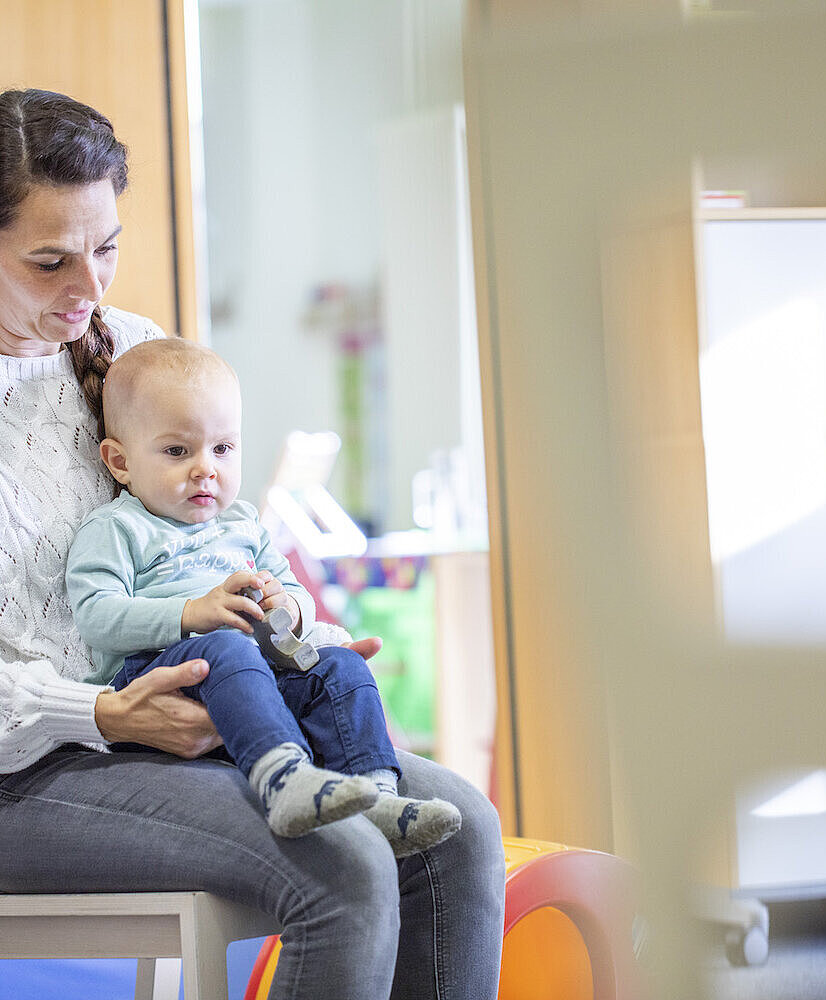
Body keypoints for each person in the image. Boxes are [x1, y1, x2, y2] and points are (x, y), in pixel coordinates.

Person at [0, 87, 504, 999]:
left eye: (106, 247)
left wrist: (282, 632)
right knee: (341, 859)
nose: (90, 289)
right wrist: (103, 715)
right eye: (48, 262)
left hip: (186, 707)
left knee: (461, 825)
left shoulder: (130, 353)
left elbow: (207, 539)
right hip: (30, 768)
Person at [66, 337, 461, 852]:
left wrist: (289, 605)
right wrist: (192, 614)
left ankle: (377, 796)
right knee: (225, 647)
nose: (205, 467)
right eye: (177, 451)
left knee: (340, 666)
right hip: (159, 678)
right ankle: (285, 780)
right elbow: (97, 615)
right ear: (120, 462)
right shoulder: (118, 528)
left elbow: (293, 589)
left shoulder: (243, 524)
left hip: (252, 676)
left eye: (222, 448)